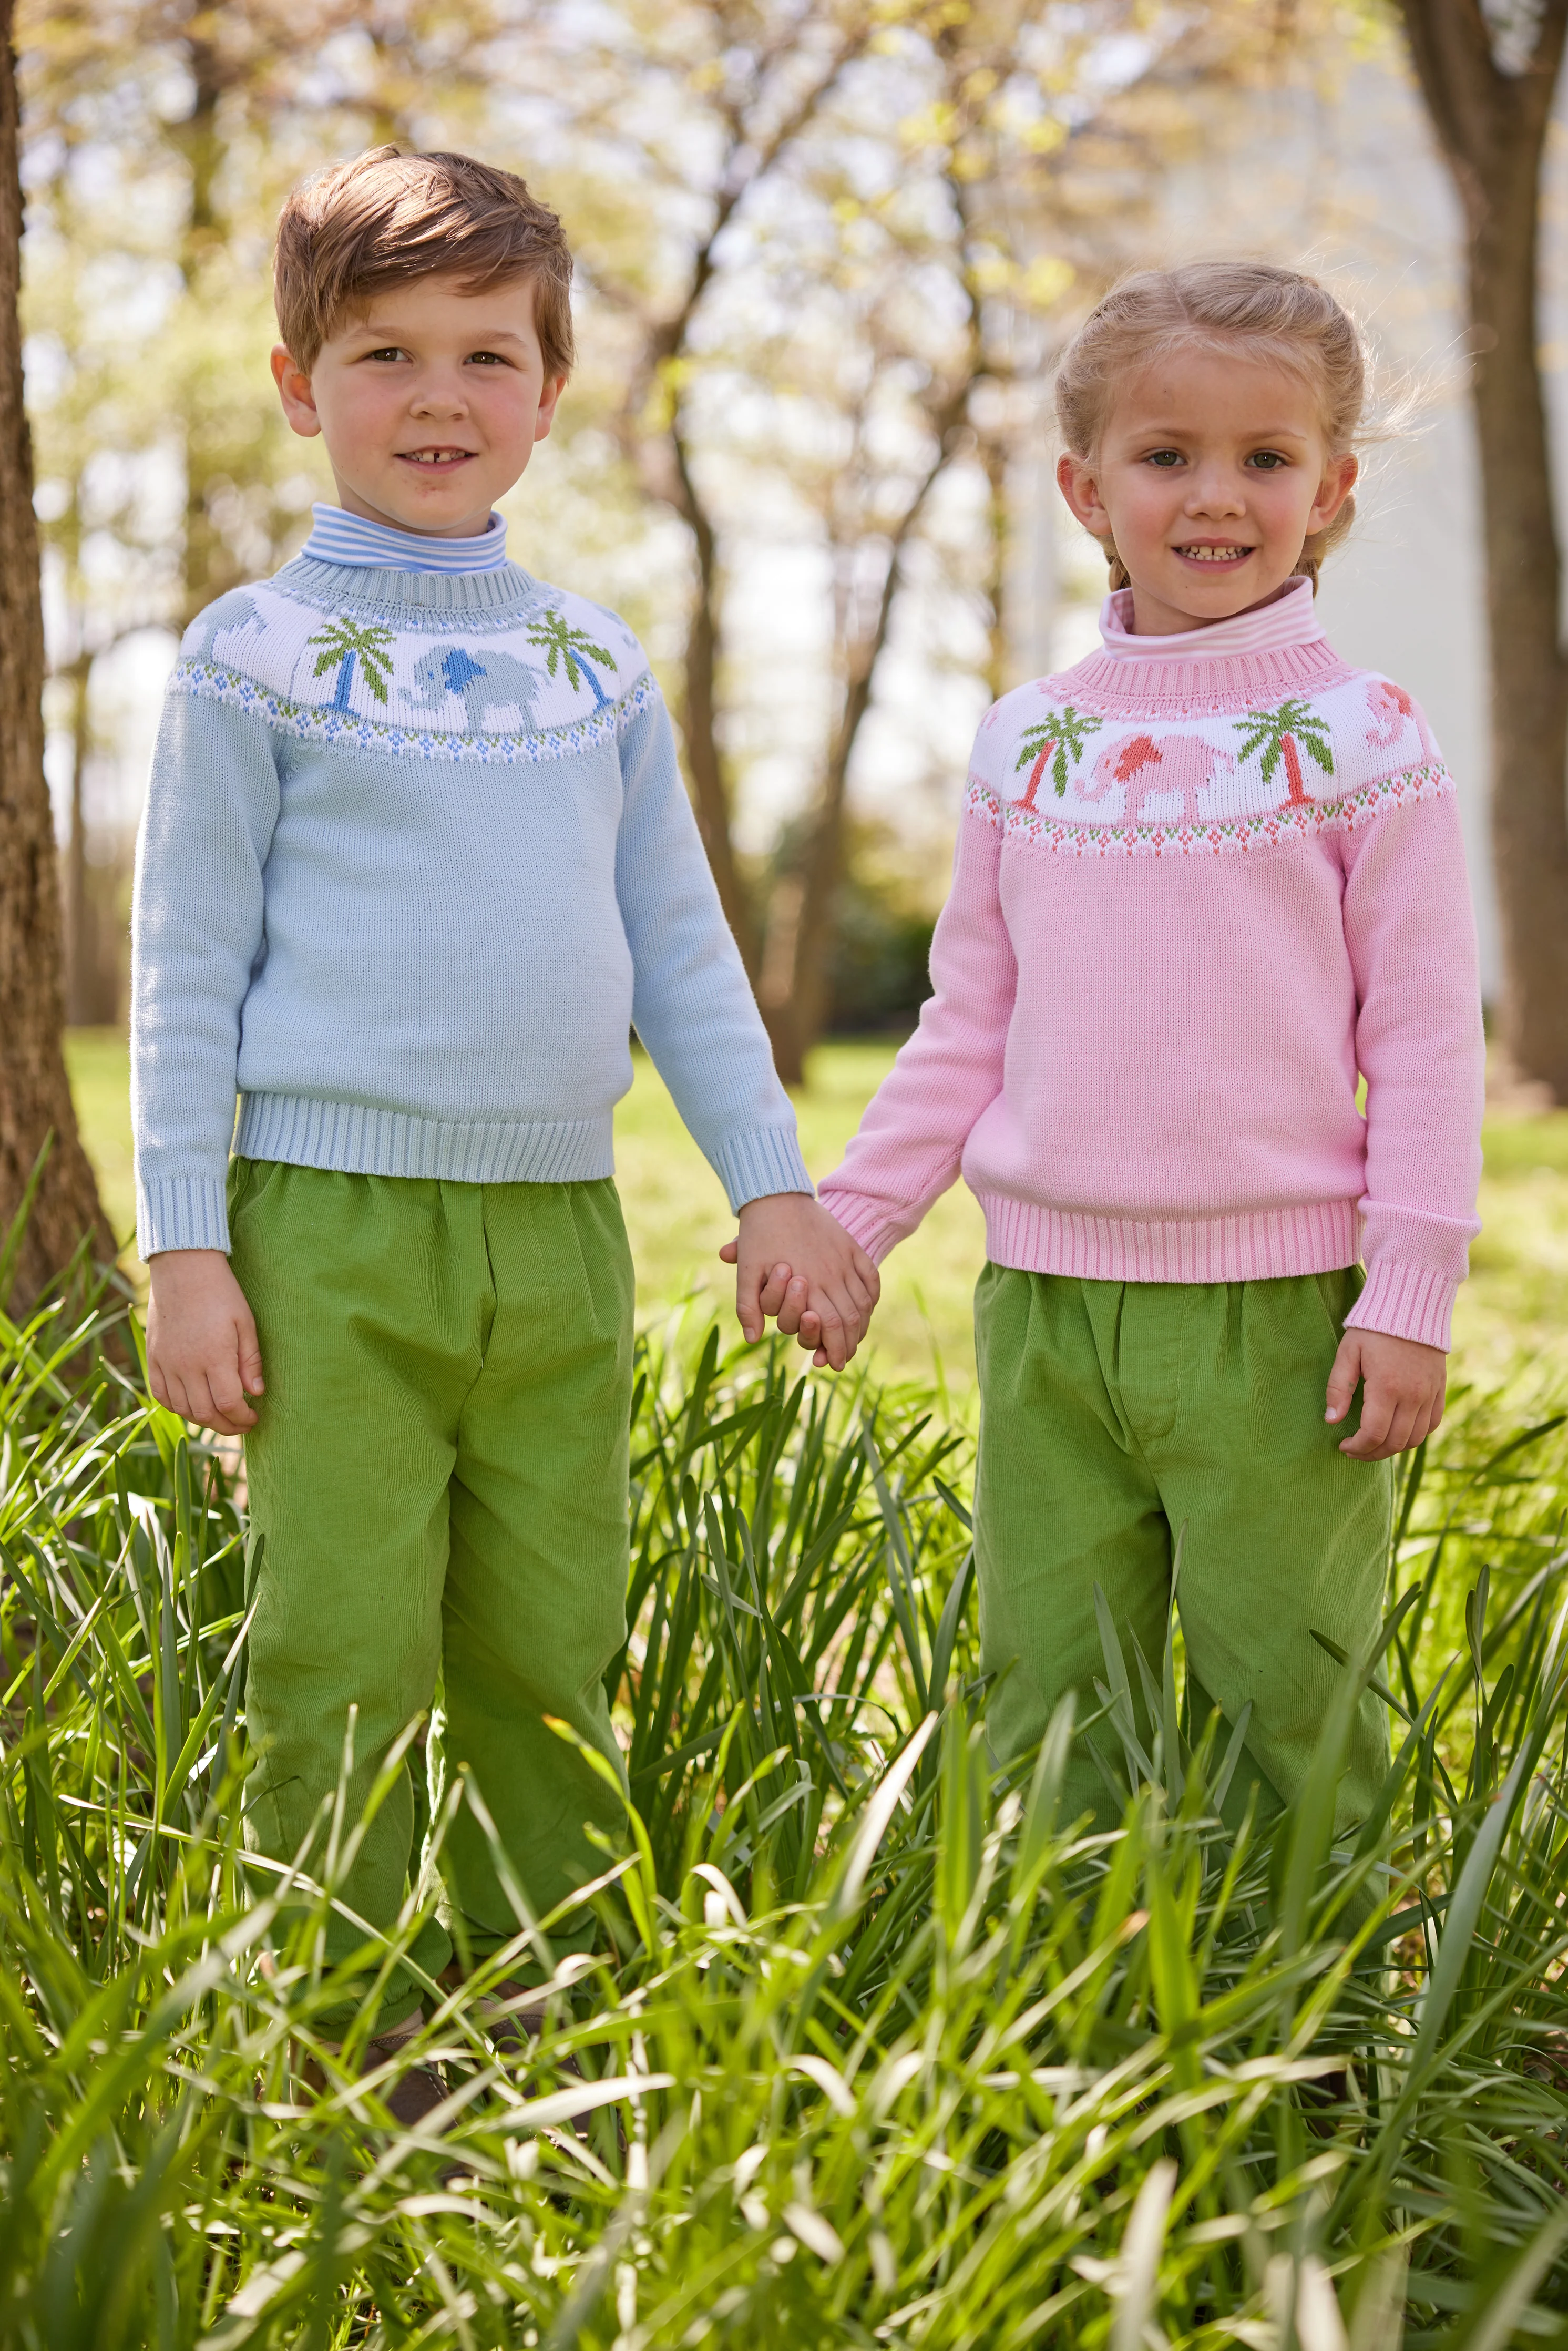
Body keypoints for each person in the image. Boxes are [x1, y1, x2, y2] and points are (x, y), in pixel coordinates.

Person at [131, 146, 877, 2113]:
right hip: (326, 1232)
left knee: (553, 1635)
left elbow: (685, 953)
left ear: (552, 391)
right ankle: (321, 2019)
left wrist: (776, 1187)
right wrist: (183, 1243)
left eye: (488, 354)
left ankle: (562, 2008)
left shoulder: (592, 665)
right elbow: (187, 968)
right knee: (341, 1640)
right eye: (384, 354)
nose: (439, 398)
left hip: (556, 1238)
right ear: (302, 384)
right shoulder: (250, 655)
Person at [813, 262, 1484, 1836]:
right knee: (1052, 1678)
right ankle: (1066, 2005)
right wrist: (858, 1218)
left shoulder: (1363, 737)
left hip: (1278, 1326)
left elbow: (1430, 1043)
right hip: (1045, 1313)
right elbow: (966, 1014)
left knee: (1287, 1688)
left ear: (1329, 489)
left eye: (1264, 459)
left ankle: (1310, 2043)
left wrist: (1410, 1294)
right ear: (1084, 488)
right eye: (1164, 455)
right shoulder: (1024, 741)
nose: (1215, 497)